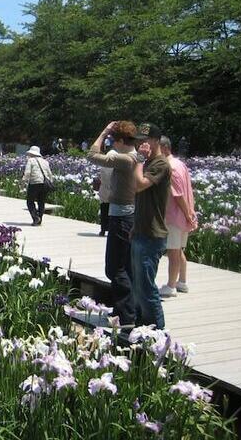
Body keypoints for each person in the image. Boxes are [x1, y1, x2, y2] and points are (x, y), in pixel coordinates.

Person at [87, 121, 140, 327]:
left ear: (119, 141)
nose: (110, 142)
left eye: (112, 140)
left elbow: (92, 156)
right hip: (130, 215)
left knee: (114, 268)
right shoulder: (138, 157)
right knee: (125, 266)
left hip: (121, 217)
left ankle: (126, 317)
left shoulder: (125, 160)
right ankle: (126, 311)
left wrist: (103, 132)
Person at [131, 122, 172, 329]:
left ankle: (158, 332)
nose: (141, 144)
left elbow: (139, 185)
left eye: (146, 140)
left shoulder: (160, 164)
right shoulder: (146, 162)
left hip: (152, 234)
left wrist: (139, 159)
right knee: (137, 286)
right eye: (139, 140)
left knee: (147, 287)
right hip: (139, 231)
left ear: (156, 141)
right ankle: (142, 327)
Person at [159, 136, 197, 297]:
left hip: (175, 215)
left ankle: (171, 285)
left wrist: (188, 213)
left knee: (173, 251)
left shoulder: (170, 167)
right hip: (182, 215)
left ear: (165, 148)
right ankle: (182, 282)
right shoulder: (180, 164)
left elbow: (178, 194)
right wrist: (190, 213)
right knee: (179, 249)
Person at [21, 146, 53, 226]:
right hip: (44, 184)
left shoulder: (31, 160)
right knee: (41, 202)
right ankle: (40, 219)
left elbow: (27, 173)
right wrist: (50, 183)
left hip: (34, 183)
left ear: (31, 153)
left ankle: (35, 218)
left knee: (30, 201)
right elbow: (50, 174)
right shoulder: (45, 162)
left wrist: (23, 182)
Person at [96, 165, 113, 236]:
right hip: (112, 192)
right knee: (111, 214)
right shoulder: (115, 167)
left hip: (103, 191)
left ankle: (103, 230)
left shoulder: (103, 167)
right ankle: (110, 230)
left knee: (103, 212)